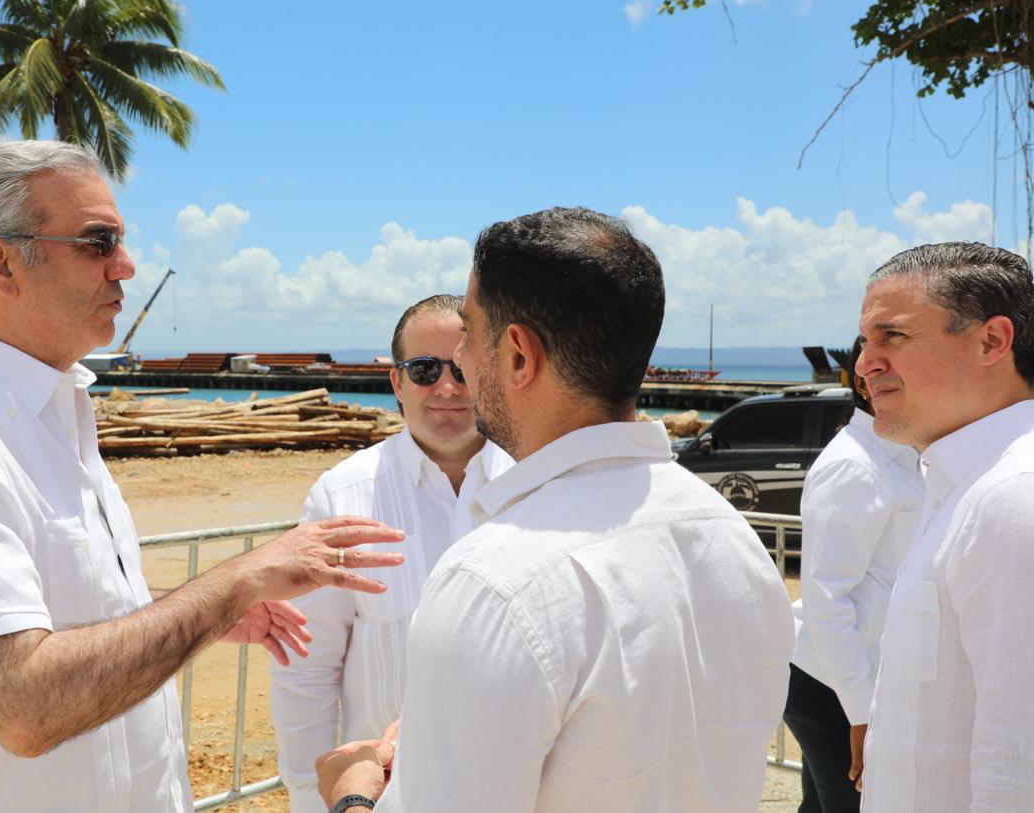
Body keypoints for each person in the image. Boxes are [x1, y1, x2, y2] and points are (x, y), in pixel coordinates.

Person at [0, 140, 405, 813]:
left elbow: (68, 608)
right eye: (98, 242)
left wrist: (204, 613)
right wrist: (237, 581)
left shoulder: (49, 415)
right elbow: (22, 703)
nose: (126, 264)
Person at [315, 207, 795, 813]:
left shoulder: (493, 581)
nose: (458, 360)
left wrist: (351, 796)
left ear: (518, 355)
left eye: (468, 332)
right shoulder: (734, 539)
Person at [269, 294, 514, 812]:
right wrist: (313, 797)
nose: (446, 387)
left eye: (462, 369)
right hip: (381, 798)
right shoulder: (343, 497)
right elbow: (306, 669)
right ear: (397, 384)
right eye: (424, 369)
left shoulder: (534, 488)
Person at [854, 242, 1034, 812]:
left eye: (892, 336)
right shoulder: (970, 485)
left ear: (992, 341)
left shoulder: (1013, 497)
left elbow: (1018, 770)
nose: (864, 364)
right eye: (865, 342)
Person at [783, 337, 923, 812]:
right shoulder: (854, 466)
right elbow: (826, 597)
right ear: (864, 381)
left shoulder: (904, 456)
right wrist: (860, 711)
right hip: (836, 685)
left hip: (854, 677)